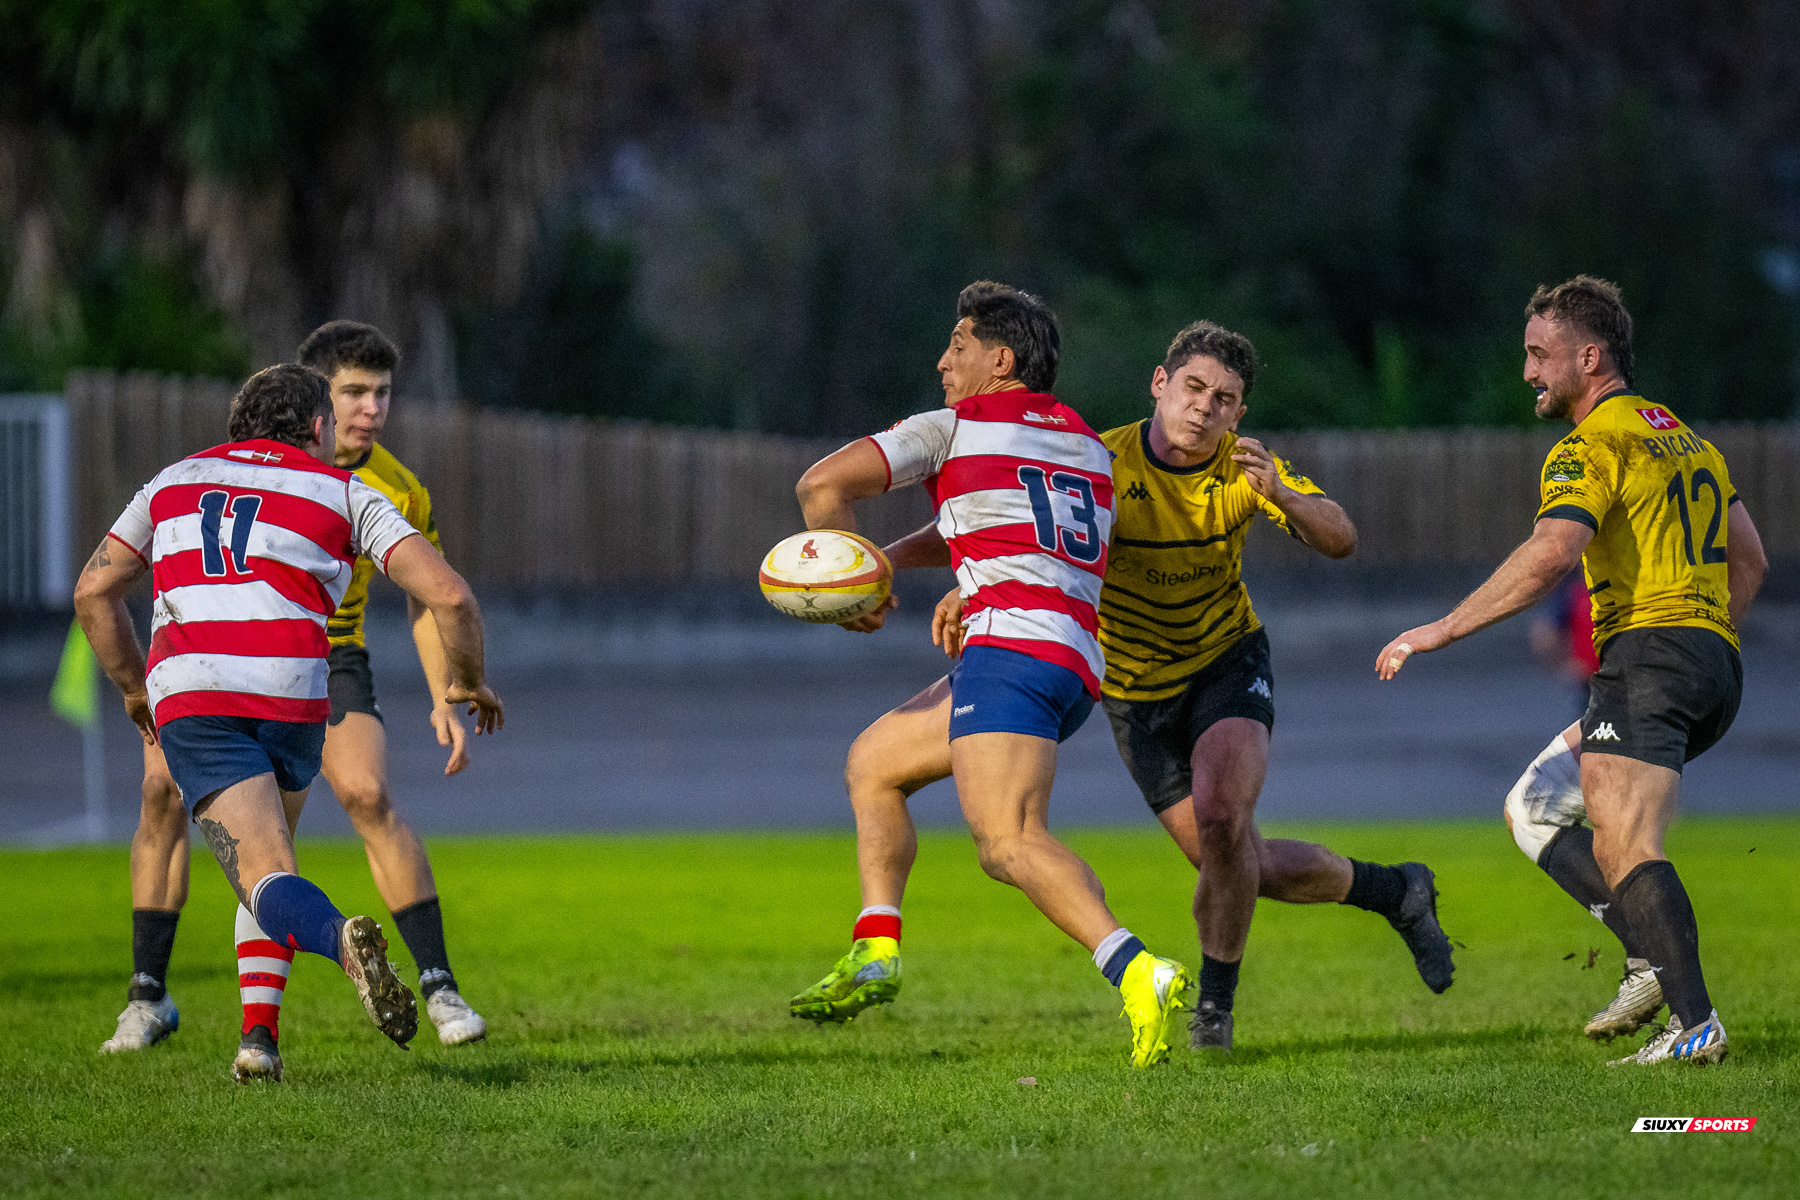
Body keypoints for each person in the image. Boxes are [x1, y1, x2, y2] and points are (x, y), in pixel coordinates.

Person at [1002, 319, 1453, 1052]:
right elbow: (1026, 541)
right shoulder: (1098, 462)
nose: (1205, 408)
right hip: (1133, 692)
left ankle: (1215, 1008)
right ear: (1160, 384)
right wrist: (972, 592)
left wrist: (1284, 494)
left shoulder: (1247, 469)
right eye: (1194, 388)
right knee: (1233, 858)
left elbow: (1341, 537)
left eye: (1225, 398)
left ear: (1239, 413)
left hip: (1225, 661)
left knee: (1221, 820)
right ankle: (1396, 890)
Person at [786, 281, 1193, 1068]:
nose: (943, 362)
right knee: (874, 764)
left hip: (1013, 654)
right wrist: (894, 568)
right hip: (1069, 660)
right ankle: (876, 945)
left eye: (959, 346)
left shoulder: (955, 428)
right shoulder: (1084, 444)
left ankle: (1137, 967)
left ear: (999, 360)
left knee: (1007, 842)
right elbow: (981, 523)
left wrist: (846, 587)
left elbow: (821, 485)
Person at [1378, 276, 1767, 1066]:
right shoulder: (1687, 438)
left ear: (1589, 357)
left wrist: (1443, 628)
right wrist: (1707, 638)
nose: (1528, 371)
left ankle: (1694, 1027)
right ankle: (1648, 964)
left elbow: (1551, 555)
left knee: (1628, 844)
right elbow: (1751, 559)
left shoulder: (1591, 445)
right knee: (1535, 805)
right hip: (1709, 659)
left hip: (1650, 657)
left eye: (1538, 353)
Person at [77, 363, 504, 1081]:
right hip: (296, 696)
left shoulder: (173, 480)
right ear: (316, 428)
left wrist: (130, 688)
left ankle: (335, 940)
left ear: (235, 427)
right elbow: (452, 597)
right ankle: (258, 1042)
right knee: (273, 862)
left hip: (197, 696)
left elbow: (95, 590)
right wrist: (467, 681)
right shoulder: (346, 490)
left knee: (262, 875)